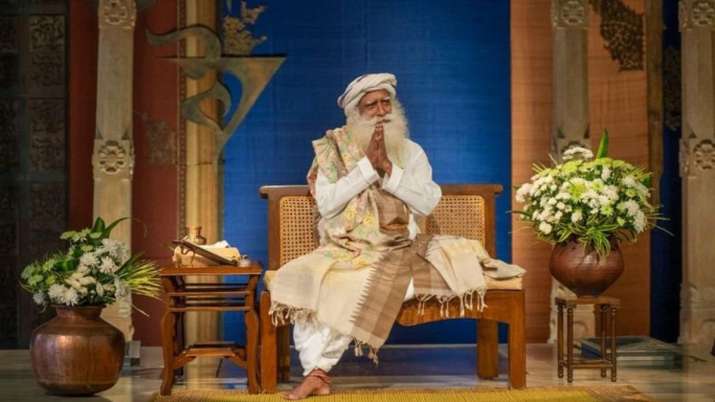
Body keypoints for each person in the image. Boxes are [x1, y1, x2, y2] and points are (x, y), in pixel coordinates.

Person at [268, 73, 523, 400]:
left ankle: (316, 373)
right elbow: (328, 205)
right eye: (371, 105)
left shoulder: (412, 152)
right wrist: (366, 170)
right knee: (304, 277)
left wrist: (389, 169)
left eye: (385, 102)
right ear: (355, 113)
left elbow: (428, 202)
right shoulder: (333, 151)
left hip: (398, 248)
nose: (381, 111)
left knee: (359, 284)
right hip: (342, 247)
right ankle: (315, 373)